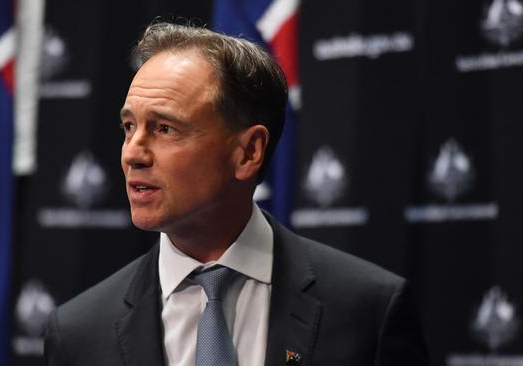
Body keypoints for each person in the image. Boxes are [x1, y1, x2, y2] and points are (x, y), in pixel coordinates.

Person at [44, 22, 428, 366]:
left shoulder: (367, 311)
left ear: (248, 152)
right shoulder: (78, 334)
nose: (132, 153)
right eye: (129, 127)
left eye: (164, 129)